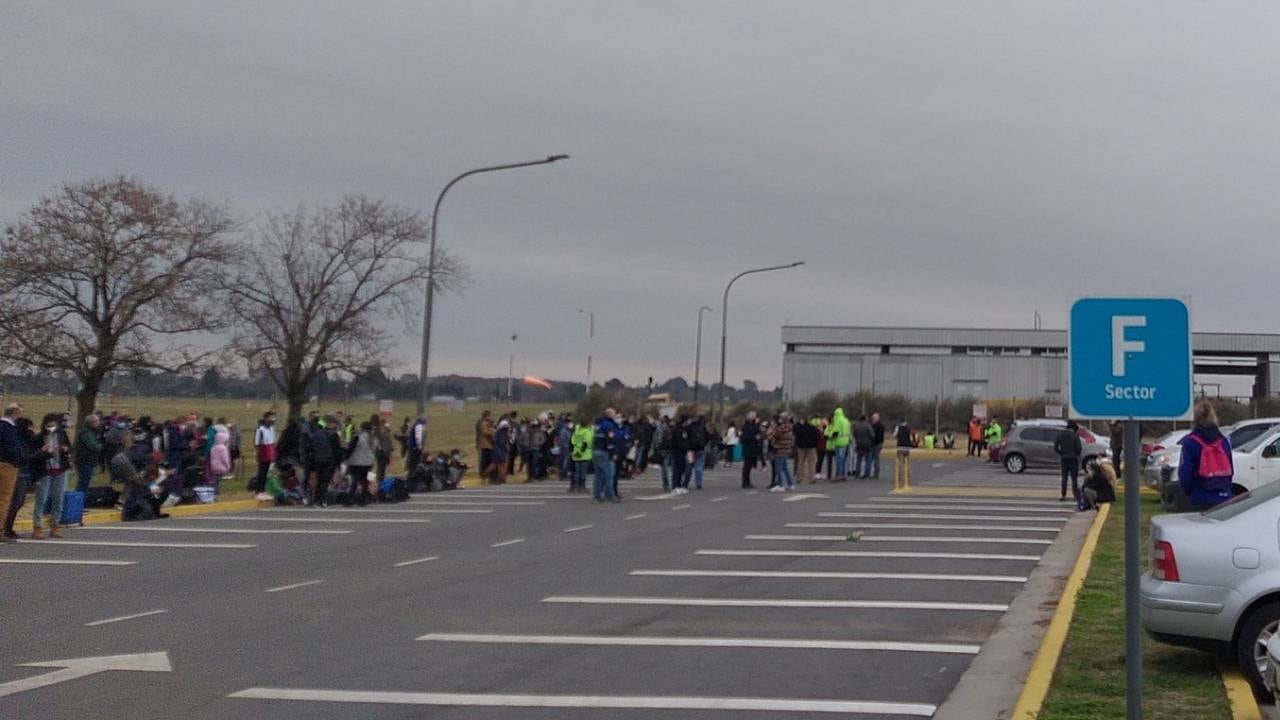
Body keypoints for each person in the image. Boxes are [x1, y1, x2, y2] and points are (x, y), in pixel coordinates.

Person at [1178, 401, 1235, 511]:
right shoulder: (1223, 441)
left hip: (1200, 497)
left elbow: (1186, 475)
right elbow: (1230, 471)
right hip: (1224, 497)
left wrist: (1189, 492)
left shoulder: (1190, 442)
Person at [29, 413, 72, 539]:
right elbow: (34, 457)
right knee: (41, 499)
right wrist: (44, 451)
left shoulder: (62, 435)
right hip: (45, 471)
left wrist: (64, 449)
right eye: (48, 425)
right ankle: (37, 526)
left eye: (53, 425)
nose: (51, 427)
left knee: (58, 498)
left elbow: (69, 448)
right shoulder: (38, 438)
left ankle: (55, 526)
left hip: (60, 470)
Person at [299, 414, 336, 506]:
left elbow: (307, 448)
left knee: (314, 480)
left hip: (316, 460)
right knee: (323, 481)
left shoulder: (310, 434)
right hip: (326, 459)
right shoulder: (326, 433)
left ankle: (313, 499)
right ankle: (321, 500)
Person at [592, 409, 620, 502]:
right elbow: (610, 441)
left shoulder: (598, 425)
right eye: (615, 414)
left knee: (598, 476)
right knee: (609, 475)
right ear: (610, 415)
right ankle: (610, 495)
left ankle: (597, 495)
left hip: (596, 451)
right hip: (605, 452)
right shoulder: (609, 425)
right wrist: (613, 453)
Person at [345, 422, 375, 505]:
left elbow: (350, 448)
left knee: (354, 480)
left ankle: (349, 499)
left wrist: (346, 458)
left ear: (362, 428)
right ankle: (363, 499)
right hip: (368, 462)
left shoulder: (358, 437)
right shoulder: (371, 438)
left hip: (356, 462)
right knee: (364, 481)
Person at [1053, 421, 1084, 501]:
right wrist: (1075, 454)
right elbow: (1079, 449)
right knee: (1074, 479)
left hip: (1064, 459)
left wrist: (1061, 453)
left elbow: (1055, 447)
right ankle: (1075, 495)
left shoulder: (1060, 435)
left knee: (1064, 478)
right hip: (1073, 459)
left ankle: (1063, 495)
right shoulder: (1075, 435)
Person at [73, 414, 103, 493]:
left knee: (85, 481)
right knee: (83, 482)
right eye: (97, 421)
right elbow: (94, 446)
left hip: (89, 460)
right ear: (91, 423)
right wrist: (101, 446)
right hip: (84, 461)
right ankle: (78, 499)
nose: (98, 423)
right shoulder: (86, 433)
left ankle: (80, 499)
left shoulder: (92, 432)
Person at [768, 413, 796, 492]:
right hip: (786, 448)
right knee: (785, 467)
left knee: (778, 468)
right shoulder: (790, 427)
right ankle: (790, 483)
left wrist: (773, 430)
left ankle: (780, 485)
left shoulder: (781, 428)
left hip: (780, 448)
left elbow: (775, 436)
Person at [252, 411, 277, 494]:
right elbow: (257, 442)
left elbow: (273, 441)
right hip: (263, 451)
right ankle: (259, 490)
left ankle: (263, 489)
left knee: (267, 472)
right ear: (266, 418)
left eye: (274, 417)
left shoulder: (272, 429)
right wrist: (258, 452)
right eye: (271, 417)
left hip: (270, 450)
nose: (273, 419)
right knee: (262, 472)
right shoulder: (260, 429)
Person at [826, 408, 852, 480]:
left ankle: (839, 475)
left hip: (839, 442)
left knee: (839, 460)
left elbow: (835, 432)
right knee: (843, 459)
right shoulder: (846, 420)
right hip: (845, 441)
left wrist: (829, 436)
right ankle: (843, 474)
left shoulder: (838, 420)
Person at [570, 416, 593, 494]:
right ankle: (582, 487)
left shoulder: (576, 431)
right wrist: (581, 452)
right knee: (583, 472)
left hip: (576, 453)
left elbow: (572, 441)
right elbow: (586, 443)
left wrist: (575, 452)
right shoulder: (587, 431)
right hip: (584, 454)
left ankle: (576, 487)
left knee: (577, 472)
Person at [739, 412, 761, 489]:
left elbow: (758, 432)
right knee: (746, 466)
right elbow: (746, 436)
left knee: (749, 466)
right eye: (754, 417)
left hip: (753, 448)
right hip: (748, 447)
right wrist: (754, 437)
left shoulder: (753, 425)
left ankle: (748, 482)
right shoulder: (746, 426)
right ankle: (744, 482)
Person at [794, 417, 818, 484]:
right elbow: (816, 437)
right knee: (811, 463)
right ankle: (811, 478)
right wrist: (815, 445)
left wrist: (797, 445)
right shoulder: (813, 428)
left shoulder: (799, 428)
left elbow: (797, 438)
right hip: (811, 447)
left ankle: (799, 478)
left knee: (801, 462)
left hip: (801, 447)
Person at [488, 416, 511, 484]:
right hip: (501, 451)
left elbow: (498, 442)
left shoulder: (499, 433)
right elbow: (503, 443)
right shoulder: (503, 434)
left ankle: (501, 478)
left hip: (498, 451)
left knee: (501, 465)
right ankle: (502, 478)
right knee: (501, 465)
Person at [852, 415, 874, 479]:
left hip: (859, 444)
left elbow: (854, 434)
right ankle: (867, 475)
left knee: (858, 460)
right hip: (867, 444)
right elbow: (872, 435)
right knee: (868, 460)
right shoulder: (868, 425)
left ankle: (857, 475)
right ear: (865, 419)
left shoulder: (856, 426)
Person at [869, 412, 885, 478]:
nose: (873, 419)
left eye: (874, 418)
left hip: (876, 444)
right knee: (874, 458)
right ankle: (874, 472)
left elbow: (877, 436)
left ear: (877, 418)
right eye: (872, 418)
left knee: (875, 458)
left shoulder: (877, 426)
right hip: (878, 443)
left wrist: (873, 441)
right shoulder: (879, 426)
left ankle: (876, 473)